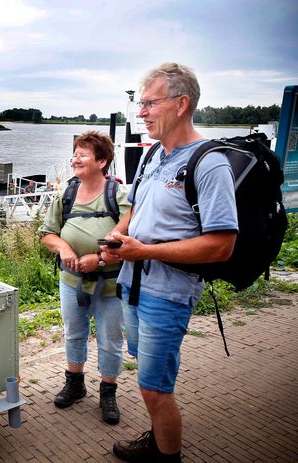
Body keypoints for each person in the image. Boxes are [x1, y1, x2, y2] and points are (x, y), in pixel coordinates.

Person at [101, 63, 237, 462]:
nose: (140, 112)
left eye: (148, 103)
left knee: (154, 387)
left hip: (169, 293)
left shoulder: (209, 163)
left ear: (181, 103)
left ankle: (167, 455)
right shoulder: (153, 156)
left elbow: (221, 245)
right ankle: (160, 435)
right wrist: (119, 238)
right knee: (149, 377)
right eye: (139, 104)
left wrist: (144, 251)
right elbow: (134, 209)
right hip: (132, 284)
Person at [38, 131, 130, 424]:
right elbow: (47, 234)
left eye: (83, 154)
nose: (75, 159)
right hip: (72, 282)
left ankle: (108, 393)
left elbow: (130, 235)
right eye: (75, 153)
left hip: (111, 284)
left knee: (110, 339)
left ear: (102, 161)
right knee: (74, 332)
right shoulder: (65, 195)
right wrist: (64, 247)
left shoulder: (119, 196)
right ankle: (75, 384)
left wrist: (100, 259)